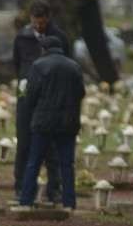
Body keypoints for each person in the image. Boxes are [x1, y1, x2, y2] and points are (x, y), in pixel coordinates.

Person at [12, 2, 69, 203]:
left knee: (52, 145)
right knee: (24, 143)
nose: (38, 26)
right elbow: (17, 64)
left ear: (48, 18)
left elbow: (67, 65)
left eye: (42, 22)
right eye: (35, 22)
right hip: (27, 97)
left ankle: (54, 189)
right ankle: (21, 187)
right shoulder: (22, 37)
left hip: (50, 99)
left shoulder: (59, 38)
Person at [19, 35, 84, 209]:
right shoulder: (74, 66)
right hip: (68, 122)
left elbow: (30, 95)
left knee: (34, 161)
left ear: (44, 49)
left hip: (43, 121)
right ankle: (69, 202)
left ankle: (26, 200)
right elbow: (81, 93)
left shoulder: (39, 66)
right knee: (67, 164)